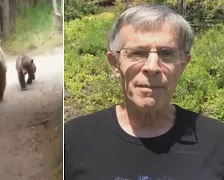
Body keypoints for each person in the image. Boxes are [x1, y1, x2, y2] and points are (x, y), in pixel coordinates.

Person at [64, 4, 224, 180]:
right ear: (115, 64)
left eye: (167, 54)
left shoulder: (218, 142)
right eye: (138, 53)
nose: (152, 67)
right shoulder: (73, 140)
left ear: (183, 65)